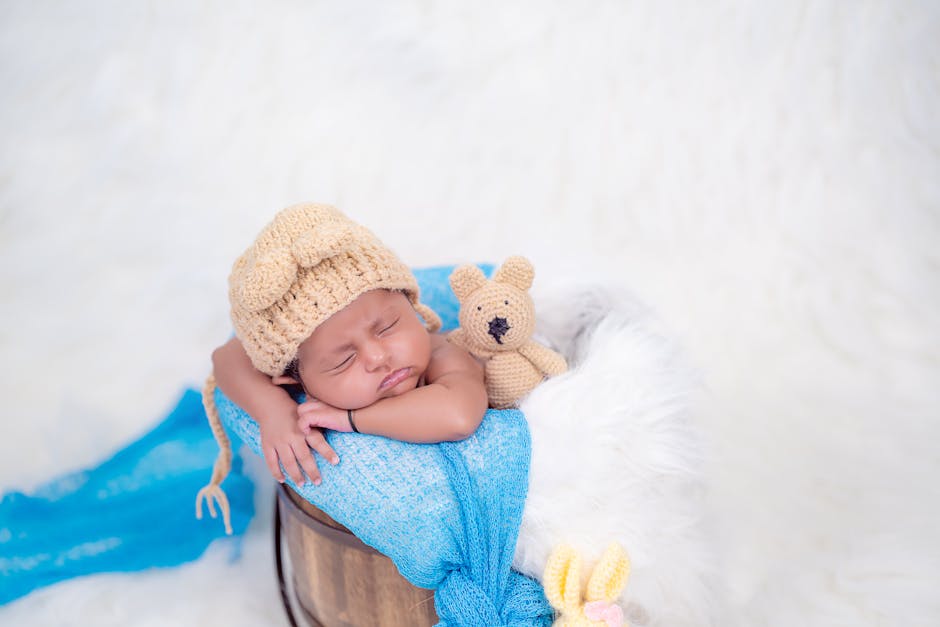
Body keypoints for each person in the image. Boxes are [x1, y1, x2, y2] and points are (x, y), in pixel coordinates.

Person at [209, 203, 488, 489]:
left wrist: (350, 418)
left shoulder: (443, 355)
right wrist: (274, 411)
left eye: (388, 326)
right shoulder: (297, 364)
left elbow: (458, 416)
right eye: (343, 360)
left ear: (411, 304)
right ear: (293, 380)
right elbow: (226, 357)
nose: (378, 356)